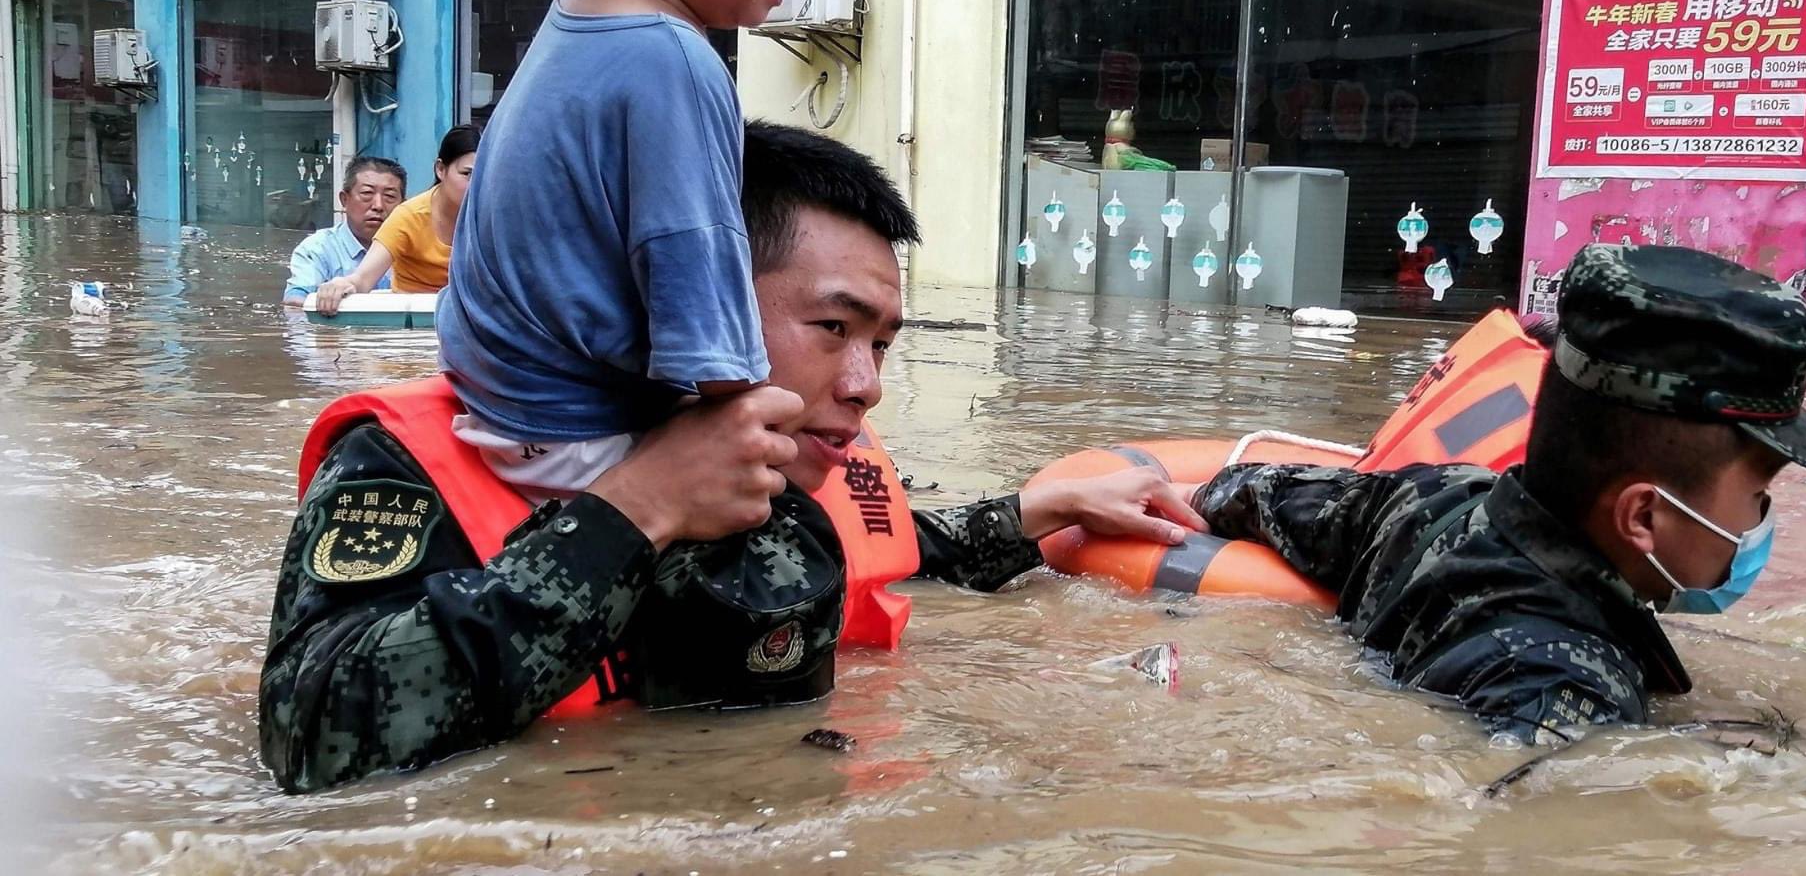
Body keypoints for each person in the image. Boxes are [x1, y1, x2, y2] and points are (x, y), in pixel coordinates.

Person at [259, 123, 1204, 792]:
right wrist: (636, 510)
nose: (867, 382)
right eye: (833, 327)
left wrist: (1049, 507)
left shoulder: (792, 461)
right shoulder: (415, 462)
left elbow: (896, 545)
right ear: (686, 295)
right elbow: (310, 734)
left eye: (884, 342)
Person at [1188, 243, 1806, 742]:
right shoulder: (1564, 692)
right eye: (1758, 493)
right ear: (1643, 515)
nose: (1760, 523)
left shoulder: (1431, 496)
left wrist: (1178, 494)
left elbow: (1252, 490)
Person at [433, 0, 821, 508]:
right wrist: (779, 429)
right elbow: (705, 312)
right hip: (584, 443)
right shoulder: (672, 58)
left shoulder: (571, 28)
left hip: (506, 414)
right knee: (798, 491)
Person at [311, 127, 476, 313]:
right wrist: (341, 285)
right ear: (440, 169)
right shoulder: (408, 216)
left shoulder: (496, 219)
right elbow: (364, 278)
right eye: (467, 174)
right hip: (412, 323)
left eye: (484, 174)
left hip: (469, 321)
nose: (477, 183)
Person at [282, 156, 405, 306]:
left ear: (403, 206)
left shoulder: (415, 247)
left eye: (389, 196)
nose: (378, 205)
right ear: (344, 200)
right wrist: (324, 302)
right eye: (367, 193)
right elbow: (293, 302)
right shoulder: (318, 248)